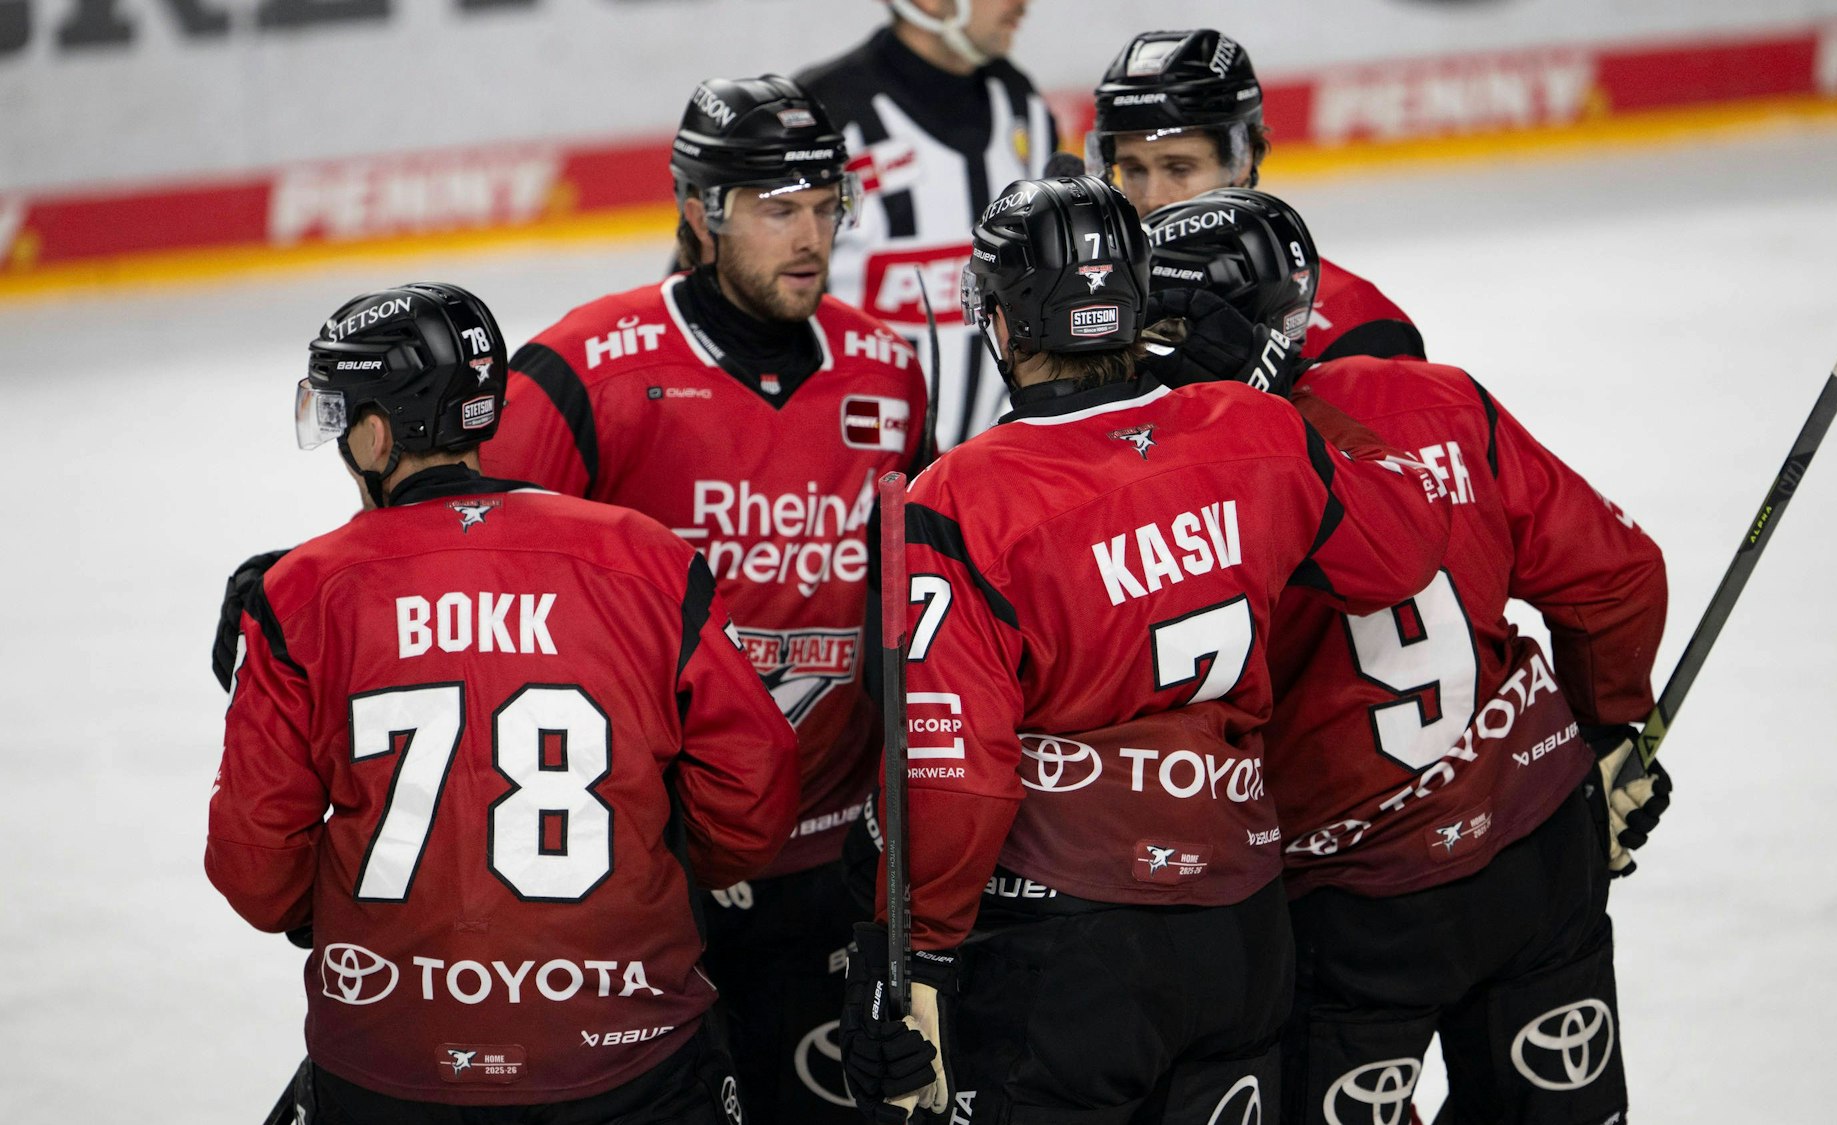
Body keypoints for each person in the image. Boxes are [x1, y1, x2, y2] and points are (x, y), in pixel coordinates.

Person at [836, 175, 1452, 1124]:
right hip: (1240, 932)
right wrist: (1274, 383)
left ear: (1003, 322)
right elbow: (1406, 544)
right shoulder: (1253, 430)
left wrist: (910, 955)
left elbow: (957, 773)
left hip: (1070, 953)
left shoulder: (956, 502)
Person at [205, 282, 800, 1123]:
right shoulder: (645, 559)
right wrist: (647, 868)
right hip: (631, 1064)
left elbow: (254, 870)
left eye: (344, 420)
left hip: (391, 1063)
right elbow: (754, 793)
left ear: (376, 434)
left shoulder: (300, 593)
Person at [1141, 189, 1673, 1125]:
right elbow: (1618, 578)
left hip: (1346, 912)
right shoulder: (1441, 396)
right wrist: (1609, 731)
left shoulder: (1183, 487)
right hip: (1539, 854)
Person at [478, 76, 931, 1124]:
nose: (811, 236)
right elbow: (464, 544)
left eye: (826, 205)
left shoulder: (888, 369)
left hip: (831, 851)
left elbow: (927, 601)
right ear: (699, 209)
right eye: (779, 209)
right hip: (653, 859)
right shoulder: (583, 367)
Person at [797, 0, 1054, 452]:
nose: (1022, 5)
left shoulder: (1022, 104)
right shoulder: (818, 116)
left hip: (994, 475)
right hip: (846, 475)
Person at [1088, 28, 1427, 365]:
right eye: (1133, 170)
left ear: (1243, 157)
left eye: (1180, 169)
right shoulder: (1085, 304)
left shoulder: (1359, 324)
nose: (1152, 198)